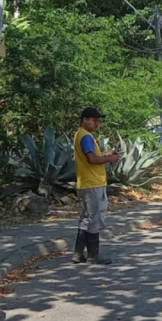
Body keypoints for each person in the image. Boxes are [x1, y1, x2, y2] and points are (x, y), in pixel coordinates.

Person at [73, 108, 120, 265]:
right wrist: (109, 160)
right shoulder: (86, 137)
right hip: (93, 183)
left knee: (86, 218)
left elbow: (92, 156)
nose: (97, 124)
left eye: (98, 120)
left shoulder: (81, 135)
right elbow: (92, 160)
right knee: (95, 218)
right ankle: (93, 255)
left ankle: (78, 253)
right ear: (85, 120)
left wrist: (106, 155)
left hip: (85, 182)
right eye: (94, 120)